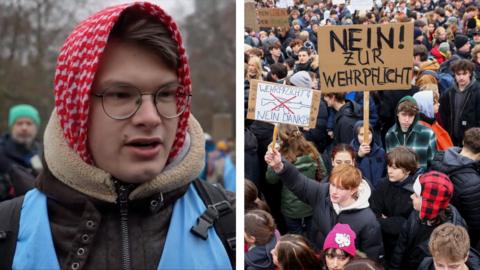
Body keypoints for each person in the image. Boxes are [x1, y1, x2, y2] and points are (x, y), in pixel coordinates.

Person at [0, 3, 234, 269]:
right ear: (76, 108)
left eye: (166, 94)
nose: (150, 117)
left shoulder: (231, 222)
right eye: (121, 95)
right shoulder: (9, 232)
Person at [265, 149, 384, 261]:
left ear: (353, 190)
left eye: (340, 188)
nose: (333, 191)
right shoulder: (322, 192)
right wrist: (279, 165)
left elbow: (370, 257)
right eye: (332, 184)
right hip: (319, 256)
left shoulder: (369, 221)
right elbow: (299, 181)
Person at [389, 171, 466, 269]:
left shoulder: (453, 235)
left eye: (416, 195)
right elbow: (401, 245)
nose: (411, 196)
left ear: (429, 203)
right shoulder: (417, 213)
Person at [266, 124, 326, 235]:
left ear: (280, 138)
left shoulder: (280, 157)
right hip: (311, 203)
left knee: (296, 238)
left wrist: (271, 162)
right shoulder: (313, 151)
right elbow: (323, 173)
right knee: (313, 236)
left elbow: (271, 179)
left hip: (290, 207)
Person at [430, 127, 480, 249]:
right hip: (456, 237)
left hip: (433, 225)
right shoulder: (473, 183)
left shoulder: (439, 157)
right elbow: (475, 224)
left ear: (463, 141)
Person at [369, 146, 422, 261]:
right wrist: (390, 221)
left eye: (395, 168)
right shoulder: (382, 184)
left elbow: (408, 225)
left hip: (405, 249)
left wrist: (384, 220)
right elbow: (373, 214)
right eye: (388, 166)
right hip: (383, 243)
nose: (389, 171)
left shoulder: (416, 190)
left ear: (408, 170)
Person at [0, 104, 42, 202]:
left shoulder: (43, 152)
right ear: (12, 127)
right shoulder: (2, 153)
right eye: (19, 123)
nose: (24, 128)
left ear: (36, 127)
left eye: (29, 123)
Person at [384, 96, 437, 170]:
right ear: (397, 113)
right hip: (398, 179)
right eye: (403, 114)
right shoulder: (390, 134)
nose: (407, 119)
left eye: (411, 115)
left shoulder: (428, 133)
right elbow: (389, 162)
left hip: (420, 178)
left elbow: (433, 162)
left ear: (415, 116)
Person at [439, 59, 480, 146]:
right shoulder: (448, 93)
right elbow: (444, 114)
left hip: (472, 140)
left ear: (470, 73)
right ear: (454, 75)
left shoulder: (477, 91)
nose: (461, 77)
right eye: (458, 74)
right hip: (452, 137)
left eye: (464, 74)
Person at [350, 121, 386, 189]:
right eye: (361, 134)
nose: (366, 137)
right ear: (356, 136)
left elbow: (385, 173)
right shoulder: (350, 152)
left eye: (368, 133)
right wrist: (358, 156)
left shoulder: (380, 152)